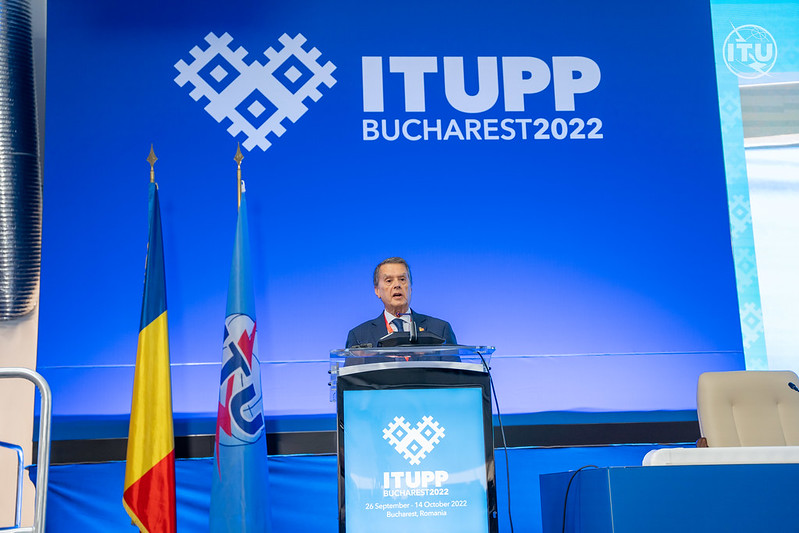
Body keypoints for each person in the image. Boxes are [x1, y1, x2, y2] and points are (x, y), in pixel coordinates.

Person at [345, 257, 457, 348]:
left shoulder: (440, 329)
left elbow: (453, 375)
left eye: (402, 279)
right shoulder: (359, 335)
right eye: (389, 281)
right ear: (377, 291)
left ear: (410, 288)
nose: (397, 285)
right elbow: (352, 375)